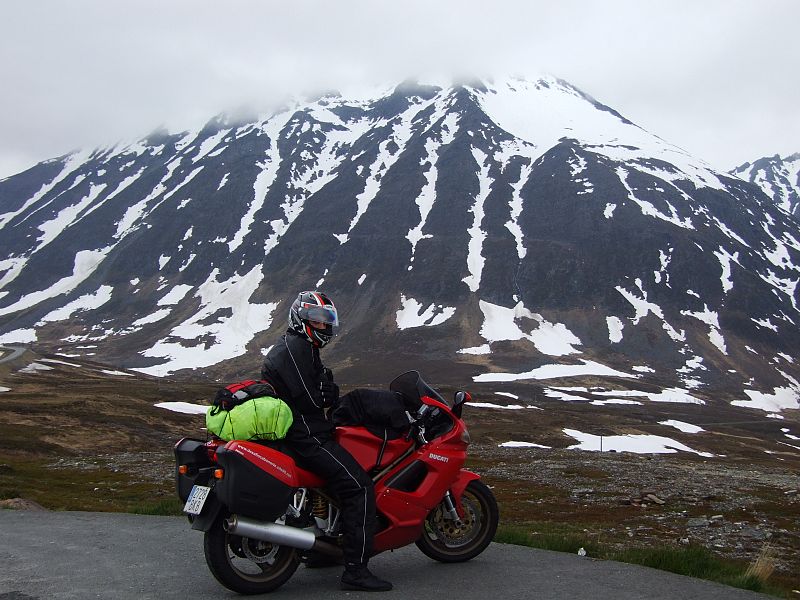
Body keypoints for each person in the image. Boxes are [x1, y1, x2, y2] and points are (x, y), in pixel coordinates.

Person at [261, 290, 393, 592]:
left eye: (327, 320)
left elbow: (323, 391)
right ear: (302, 318)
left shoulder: (298, 347)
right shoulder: (296, 349)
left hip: (302, 431)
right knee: (359, 487)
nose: (323, 326)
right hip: (306, 435)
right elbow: (312, 399)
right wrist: (325, 391)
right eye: (318, 320)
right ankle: (356, 571)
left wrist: (326, 390)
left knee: (331, 485)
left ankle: (320, 551)